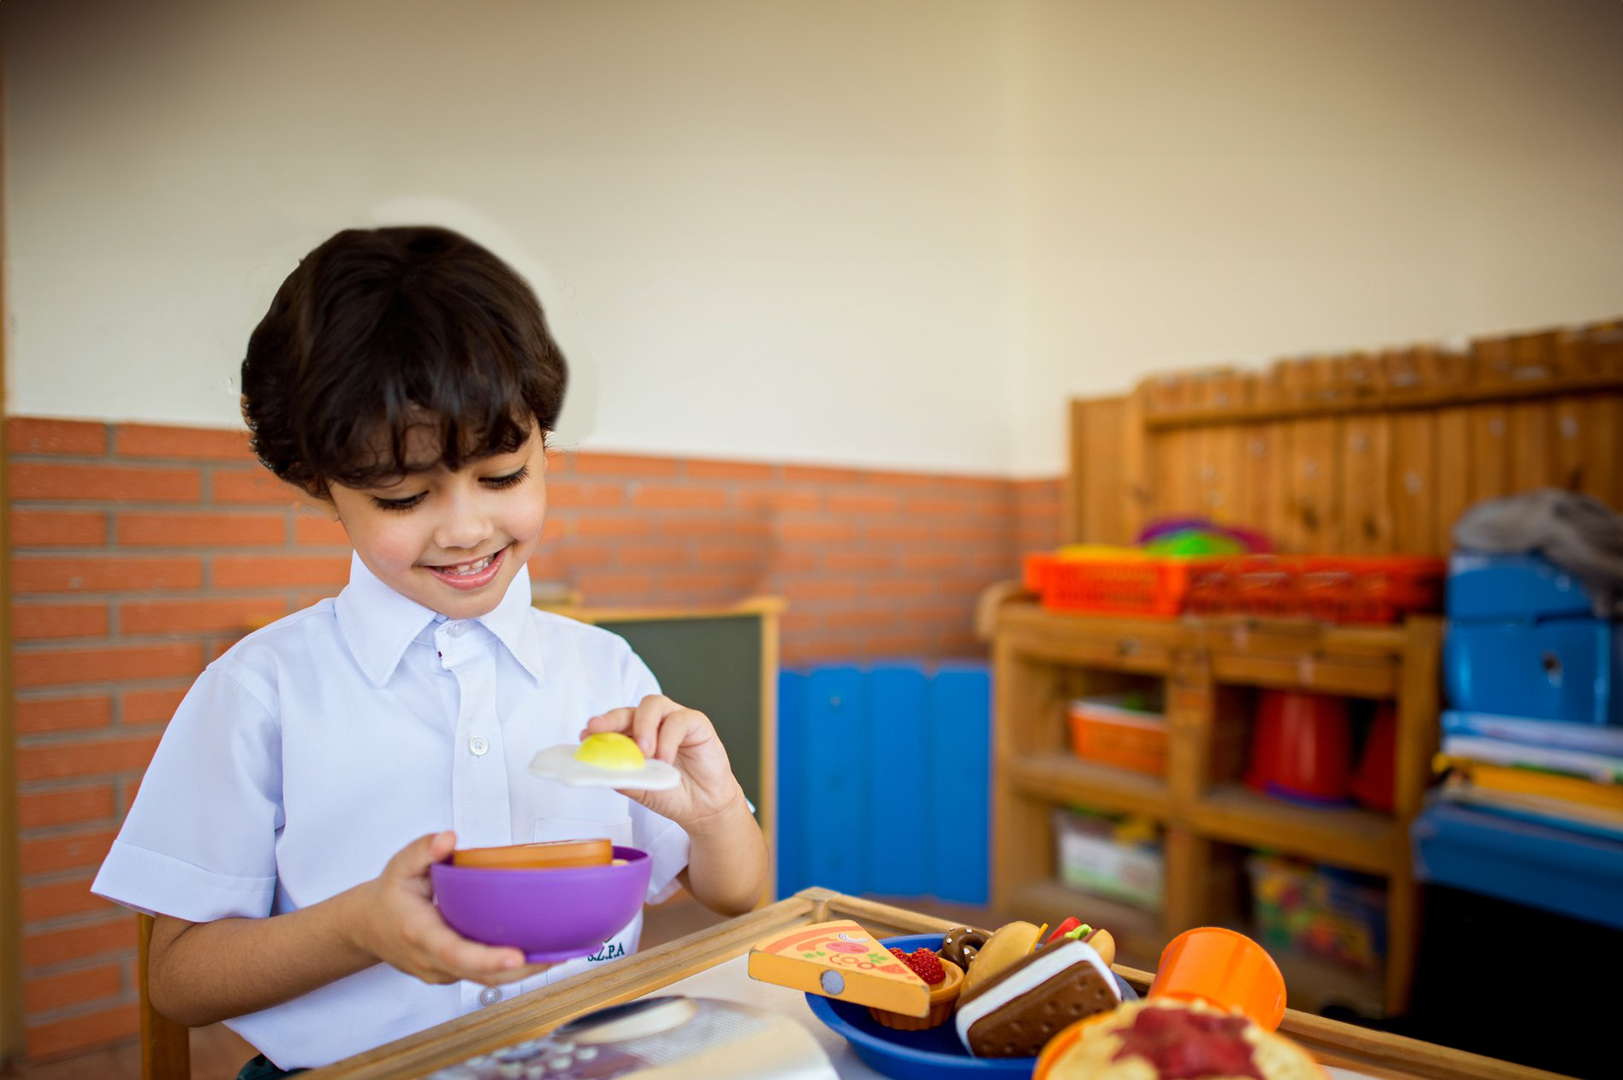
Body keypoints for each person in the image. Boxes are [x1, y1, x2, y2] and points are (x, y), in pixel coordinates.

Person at [90, 226, 769, 1078]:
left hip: (580, 1060)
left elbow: (737, 891)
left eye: (502, 477)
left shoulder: (601, 669)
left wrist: (715, 815)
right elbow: (179, 981)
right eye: (404, 495)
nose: (464, 530)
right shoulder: (261, 691)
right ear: (317, 483)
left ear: (544, 445)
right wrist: (355, 929)